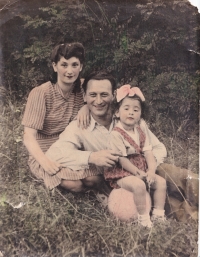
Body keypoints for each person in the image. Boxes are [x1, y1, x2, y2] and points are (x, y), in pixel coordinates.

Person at [45, 70, 198, 222]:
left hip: (149, 170)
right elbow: (54, 154)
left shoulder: (129, 116)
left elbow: (158, 148)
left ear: (113, 95)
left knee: (175, 174)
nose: (98, 101)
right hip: (123, 182)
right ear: (84, 96)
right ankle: (191, 216)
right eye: (93, 95)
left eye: (104, 95)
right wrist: (91, 157)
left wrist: (148, 169)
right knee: (171, 206)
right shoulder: (79, 127)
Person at [22, 42, 90, 190]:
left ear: (81, 67)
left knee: (93, 178)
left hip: (70, 147)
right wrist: (45, 162)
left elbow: (110, 97)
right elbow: (28, 136)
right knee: (76, 184)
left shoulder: (84, 88)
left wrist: (87, 106)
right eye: (64, 65)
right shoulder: (41, 93)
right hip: (45, 151)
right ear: (54, 66)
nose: (70, 71)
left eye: (74, 65)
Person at [104, 85, 167, 227]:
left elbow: (148, 153)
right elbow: (122, 159)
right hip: (122, 173)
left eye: (135, 110)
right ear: (117, 112)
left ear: (140, 114)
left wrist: (150, 171)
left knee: (161, 182)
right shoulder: (116, 134)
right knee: (139, 185)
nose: (131, 112)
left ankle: (158, 215)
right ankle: (143, 220)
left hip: (141, 170)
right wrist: (138, 173)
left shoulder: (140, 129)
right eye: (126, 109)